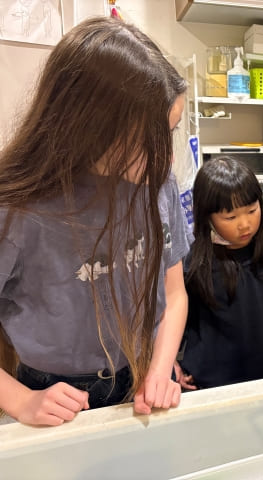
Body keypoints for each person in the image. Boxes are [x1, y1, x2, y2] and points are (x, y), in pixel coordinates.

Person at [0, 17, 189, 426]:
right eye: (151, 140)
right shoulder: (18, 209)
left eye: (171, 133)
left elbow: (174, 294)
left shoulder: (159, 184)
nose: (168, 159)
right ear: (93, 130)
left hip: (142, 374)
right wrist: (21, 401)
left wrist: (160, 369)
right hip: (52, 391)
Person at [174, 157, 263, 390]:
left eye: (252, 210)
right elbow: (177, 317)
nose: (245, 224)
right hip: (214, 379)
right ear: (207, 217)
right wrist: (171, 362)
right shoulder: (193, 261)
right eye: (230, 217)